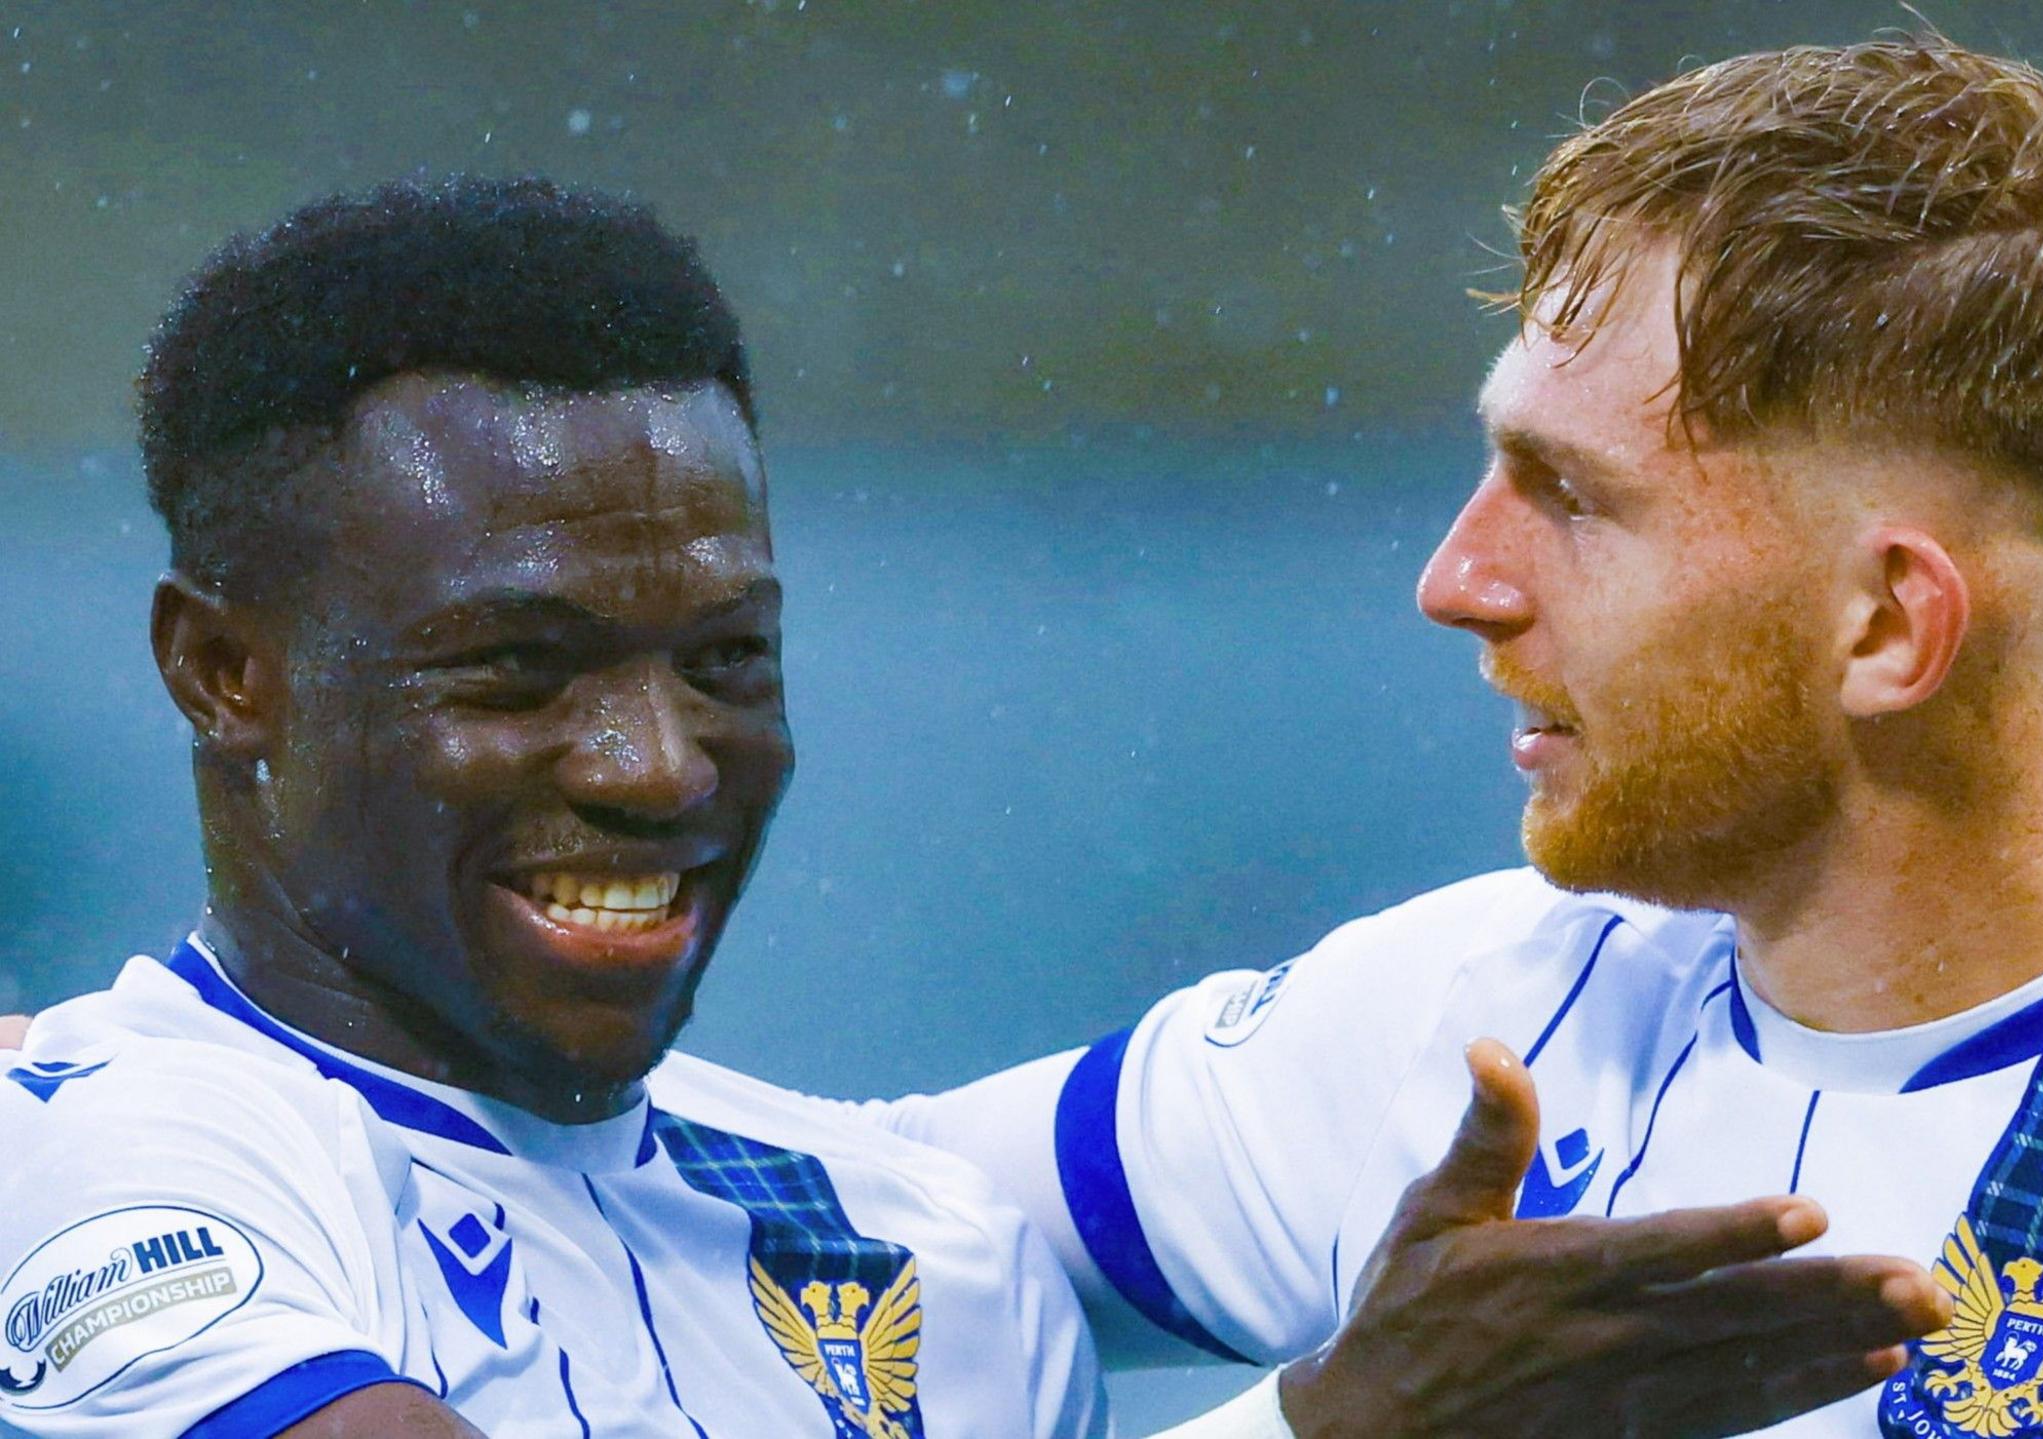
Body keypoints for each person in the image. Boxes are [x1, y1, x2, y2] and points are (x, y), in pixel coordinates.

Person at [0, 177, 1939, 1439]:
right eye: (517, 674)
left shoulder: (911, 1237)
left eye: (726, 664)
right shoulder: (87, 1167)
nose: (653, 764)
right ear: (220, 672)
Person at [872, 38, 2043, 1437]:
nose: (1457, 579)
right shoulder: (1484, 1027)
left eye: (1570, 498)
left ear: (1890, 627)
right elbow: (704, 1260)